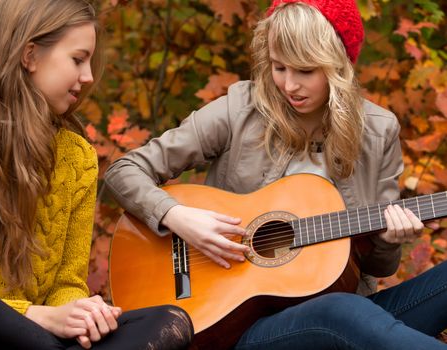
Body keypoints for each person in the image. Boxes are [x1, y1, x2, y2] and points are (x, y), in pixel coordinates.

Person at [104, 0, 447, 348]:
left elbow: (378, 267)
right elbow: (125, 170)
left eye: (305, 71)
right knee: (337, 311)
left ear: (338, 65)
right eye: (279, 67)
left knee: (349, 310)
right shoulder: (240, 108)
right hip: (240, 325)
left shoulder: (377, 130)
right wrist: (176, 216)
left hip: (353, 318)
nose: (289, 85)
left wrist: (388, 241)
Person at [0, 0, 194, 349]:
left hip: (41, 340)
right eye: (78, 60)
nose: (89, 76)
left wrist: (79, 312)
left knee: (170, 321)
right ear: (30, 55)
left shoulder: (77, 158)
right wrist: (36, 315)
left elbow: (67, 280)